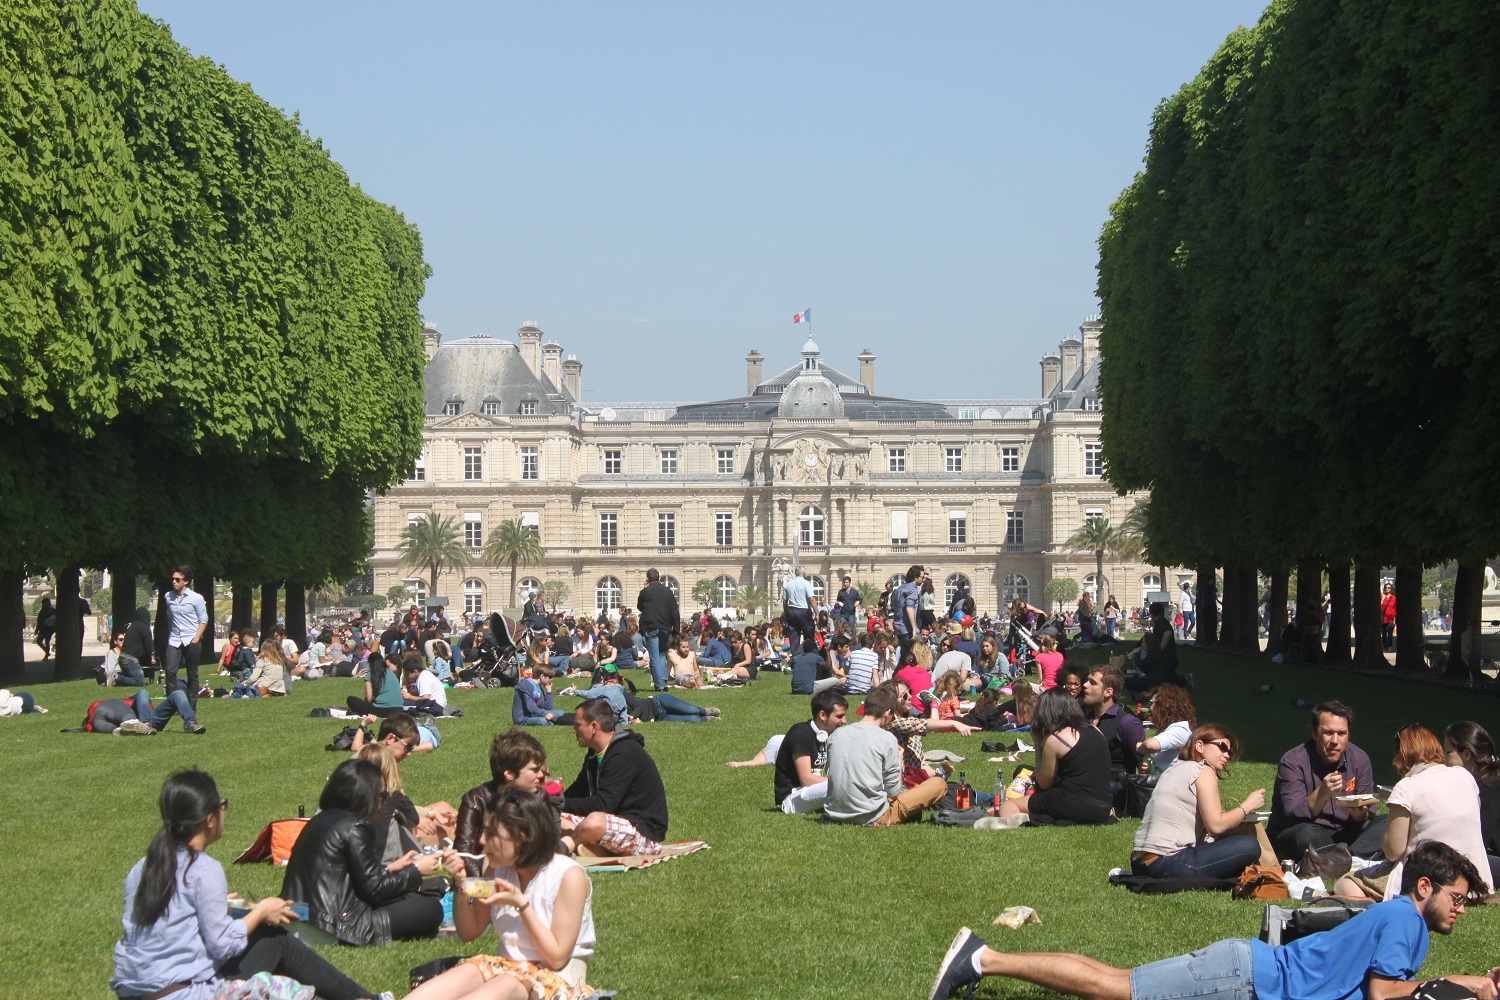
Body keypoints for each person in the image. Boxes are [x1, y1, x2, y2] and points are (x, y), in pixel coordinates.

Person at [929, 840, 1498, 1000]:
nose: (1461, 908)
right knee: (1116, 988)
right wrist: (1467, 984)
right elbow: (1386, 995)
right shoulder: (1409, 923)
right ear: (1425, 885)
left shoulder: (1400, 916)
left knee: (1117, 977)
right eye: (1458, 896)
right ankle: (983, 958)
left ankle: (984, 955)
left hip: (1246, 971)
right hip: (1246, 979)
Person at [111, 771, 383, 1000]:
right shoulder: (204, 869)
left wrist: (220, 905)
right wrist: (261, 911)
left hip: (135, 990)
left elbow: (166, 922)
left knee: (264, 935)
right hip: (182, 993)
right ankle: (365, 998)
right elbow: (221, 946)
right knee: (272, 937)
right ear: (209, 819)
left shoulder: (144, 866)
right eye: (222, 804)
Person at [417, 790, 596, 1000]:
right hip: (506, 966)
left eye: (492, 833)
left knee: (506, 983)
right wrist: (460, 883)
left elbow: (556, 958)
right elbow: (469, 931)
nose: (482, 840)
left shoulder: (569, 877)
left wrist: (520, 903)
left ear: (520, 838)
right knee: (469, 971)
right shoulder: (494, 868)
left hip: (555, 978)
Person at [280, 759, 445, 945]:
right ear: (366, 795)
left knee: (412, 900)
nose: (384, 801)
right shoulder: (356, 826)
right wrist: (416, 869)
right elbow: (374, 890)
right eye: (382, 795)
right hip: (334, 925)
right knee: (430, 909)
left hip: (299, 917)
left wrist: (390, 868)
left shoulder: (318, 821)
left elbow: (349, 875)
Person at [1334, 724, 1491, 902]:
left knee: (1344, 884)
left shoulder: (1406, 787)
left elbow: (1393, 851)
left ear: (1401, 756)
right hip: (1475, 881)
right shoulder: (1464, 776)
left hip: (1431, 881)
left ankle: (1371, 904)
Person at [1131, 724, 1273, 880]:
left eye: (1229, 752)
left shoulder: (1173, 769)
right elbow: (1216, 826)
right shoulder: (1204, 770)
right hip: (1167, 862)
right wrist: (1249, 804)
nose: (1226, 755)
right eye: (1222, 747)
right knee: (1249, 846)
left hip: (1139, 863)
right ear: (1199, 745)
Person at [1267, 700, 1386, 860]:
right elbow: (1293, 816)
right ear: (1315, 733)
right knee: (1304, 835)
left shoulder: (1359, 759)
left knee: (1390, 823)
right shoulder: (1293, 761)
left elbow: (1367, 814)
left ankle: (1343, 858)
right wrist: (1322, 793)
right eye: (1328, 733)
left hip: (1346, 833)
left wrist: (1361, 816)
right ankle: (1348, 858)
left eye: (1341, 734)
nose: (1335, 741)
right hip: (1306, 830)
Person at [559, 698, 669, 856]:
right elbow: (579, 789)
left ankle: (570, 844)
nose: (573, 730)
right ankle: (592, 846)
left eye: (578, 725)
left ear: (594, 727)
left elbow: (604, 804)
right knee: (548, 815)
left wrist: (560, 803)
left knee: (594, 821)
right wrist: (551, 802)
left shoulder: (624, 752)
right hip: (613, 821)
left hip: (643, 832)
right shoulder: (595, 753)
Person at [824, 685, 947, 826]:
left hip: (834, 812)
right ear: (888, 712)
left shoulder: (836, 735)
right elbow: (893, 792)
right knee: (938, 784)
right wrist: (899, 760)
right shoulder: (886, 738)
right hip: (873, 815)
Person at [994, 687, 1112, 825]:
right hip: (1103, 806)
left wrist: (1038, 742)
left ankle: (1014, 826)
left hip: (1075, 803)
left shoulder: (1057, 739)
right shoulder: (1096, 730)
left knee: (1008, 806)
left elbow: (1044, 783)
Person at [455, 728, 554, 876]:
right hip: (485, 874)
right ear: (509, 774)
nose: (541, 776)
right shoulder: (476, 799)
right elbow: (464, 854)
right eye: (534, 770)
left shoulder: (539, 798)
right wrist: (481, 887)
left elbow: (549, 844)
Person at [773, 690, 849, 813]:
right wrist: (846, 782)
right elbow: (806, 780)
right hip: (793, 797)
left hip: (815, 791)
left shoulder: (830, 735)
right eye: (839, 716)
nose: (845, 721)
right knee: (846, 784)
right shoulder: (800, 733)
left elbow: (832, 772)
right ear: (823, 715)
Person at [1444, 721, 1500, 888]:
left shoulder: (1491, 787)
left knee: (1449, 864)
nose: (1443, 759)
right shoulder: (1483, 781)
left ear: (1467, 754)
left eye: (1448, 752)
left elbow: (1478, 843)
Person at [1083, 664, 1144, 811]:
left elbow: (1142, 765)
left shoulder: (1127, 722)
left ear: (1108, 692)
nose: (1084, 685)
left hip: (1113, 788)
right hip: (1084, 781)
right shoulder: (1083, 716)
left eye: (1092, 682)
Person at [162, 566, 209, 710]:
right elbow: (170, 617)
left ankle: (191, 706)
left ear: (186, 581)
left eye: (178, 579)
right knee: (170, 671)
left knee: (192, 674)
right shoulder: (168, 596)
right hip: (175, 639)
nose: (174, 582)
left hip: (191, 639)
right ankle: (172, 705)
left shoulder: (196, 598)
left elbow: (203, 620)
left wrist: (196, 638)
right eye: (173, 579)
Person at [636, 569, 680, 691]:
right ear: (659, 578)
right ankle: (663, 682)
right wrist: (676, 628)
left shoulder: (645, 592)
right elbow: (674, 610)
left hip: (650, 626)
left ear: (647, 579)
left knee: (655, 656)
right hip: (665, 626)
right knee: (661, 655)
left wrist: (645, 588)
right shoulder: (668, 591)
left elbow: (640, 606)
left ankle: (659, 685)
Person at [1135, 684, 1195, 771]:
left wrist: (1139, 746)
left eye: (1151, 703)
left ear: (1165, 706)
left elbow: (1150, 745)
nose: (1149, 708)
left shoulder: (1180, 729)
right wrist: (1150, 769)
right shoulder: (1168, 730)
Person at [347, 651, 404, 720]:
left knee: (350, 699)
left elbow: (369, 698)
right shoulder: (392, 674)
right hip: (399, 709)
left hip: (383, 710)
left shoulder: (370, 675)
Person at [782, 566, 818, 656]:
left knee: (794, 637)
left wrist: (786, 613)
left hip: (791, 611)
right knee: (808, 635)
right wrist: (817, 613)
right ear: (804, 574)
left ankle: (795, 658)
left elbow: (784, 601)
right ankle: (810, 655)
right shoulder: (806, 583)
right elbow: (812, 599)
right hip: (803, 611)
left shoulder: (788, 584)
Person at [892, 566, 924, 658]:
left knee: (905, 658)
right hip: (907, 629)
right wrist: (914, 628)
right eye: (921, 577)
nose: (923, 579)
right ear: (915, 577)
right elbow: (909, 608)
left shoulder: (899, 589)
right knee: (921, 654)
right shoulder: (912, 590)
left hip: (899, 628)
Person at [1381, 581, 1398, 652]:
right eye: (1386, 587)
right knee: (1383, 633)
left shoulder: (1394, 598)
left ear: (1391, 589)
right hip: (1382, 618)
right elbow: (1380, 608)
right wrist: (1382, 600)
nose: (1387, 589)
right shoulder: (1381, 596)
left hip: (1390, 618)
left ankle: (1390, 646)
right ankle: (1384, 647)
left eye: (1389, 588)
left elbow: (1395, 608)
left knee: (1390, 633)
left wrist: (1394, 619)